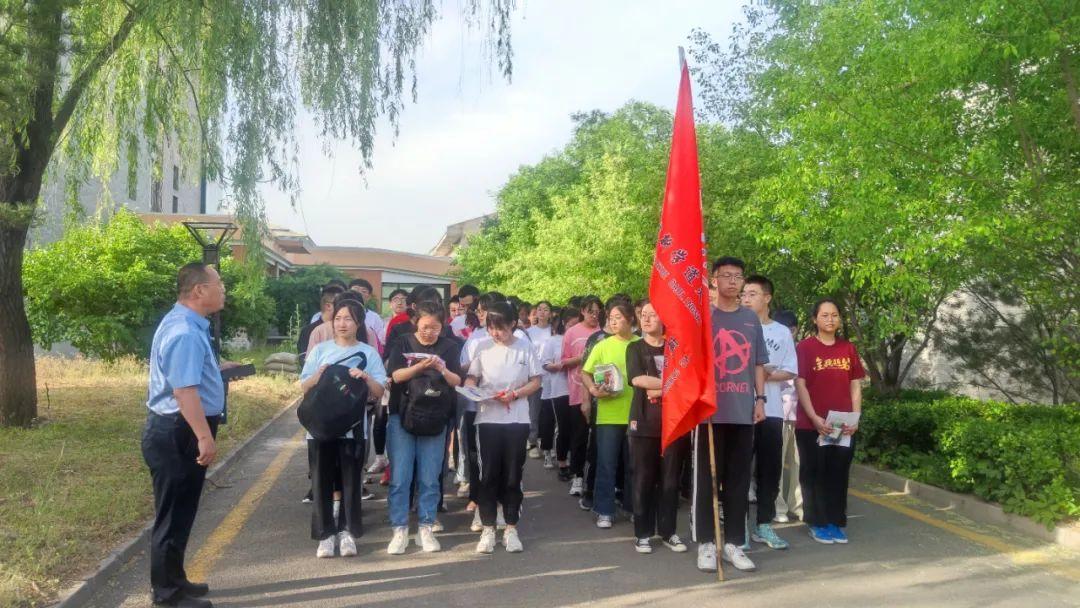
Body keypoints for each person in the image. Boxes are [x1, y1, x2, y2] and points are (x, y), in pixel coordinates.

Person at [143, 262, 230, 608]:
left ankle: (175, 580)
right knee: (173, 513)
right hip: (179, 432)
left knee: (183, 511)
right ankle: (166, 595)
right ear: (199, 291)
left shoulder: (187, 323)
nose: (223, 289)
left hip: (181, 428)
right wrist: (204, 437)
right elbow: (184, 392)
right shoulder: (185, 331)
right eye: (218, 283)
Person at [694, 256, 767, 573]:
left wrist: (760, 399)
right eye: (726, 275)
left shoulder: (750, 319)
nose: (733, 281)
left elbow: (758, 363)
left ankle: (735, 543)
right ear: (714, 280)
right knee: (708, 482)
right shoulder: (702, 319)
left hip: (742, 411)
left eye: (738, 276)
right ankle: (708, 543)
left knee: (738, 482)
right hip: (709, 411)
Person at [299, 299, 386, 558]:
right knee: (322, 480)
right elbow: (303, 385)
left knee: (350, 482)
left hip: (353, 429)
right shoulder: (319, 351)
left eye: (348, 319)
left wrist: (366, 377)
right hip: (320, 427)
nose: (342, 323)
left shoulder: (368, 353)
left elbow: (380, 391)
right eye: (338, 318)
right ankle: (325, 535)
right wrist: (319, 375)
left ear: (359, 323)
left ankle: (348, 532)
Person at [464, 300, 542, 554]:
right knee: (488, 475)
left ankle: (510, 528)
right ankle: (488, 528)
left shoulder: (524, 347)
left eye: (501, 328)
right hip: (488, 418)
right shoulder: (483, 348)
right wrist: (474, 389)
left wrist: (516, 394)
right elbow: (472, 378)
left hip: (516, 419)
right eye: (491, 328)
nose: (495, 333)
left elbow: (536, 381)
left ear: (512, 324)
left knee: (512, 475)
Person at [384, 301, 463, 554]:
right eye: (425, 326)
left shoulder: (450, 347)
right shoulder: (403, 343)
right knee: (400, 477)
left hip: (436, 417)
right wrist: (419, 366)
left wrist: (441, 367)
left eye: (436, 328)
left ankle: (426, 527)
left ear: (443, 326)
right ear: (415, 322)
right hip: (402, 415)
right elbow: (395, 376)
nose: (430, 332)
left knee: (430, 477)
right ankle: (400, 529)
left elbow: (456, 381)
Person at [795, 299, 864, 544]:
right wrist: (814, 417)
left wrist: (856, 417)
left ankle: (835, 521)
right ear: (815, 319)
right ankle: (817, 522)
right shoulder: (805, 347)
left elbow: (855, 384)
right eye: (824, 315)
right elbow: (800, 383)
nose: (830, 319)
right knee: (814, 473)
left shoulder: (848, 349)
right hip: (811, 424)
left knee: (838, 473)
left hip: (842, 425)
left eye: (834, 315)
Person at [627, 298, 690, 554]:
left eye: (653, 314)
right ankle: (642, 533)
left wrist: (663, 388)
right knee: (643, 478)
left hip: (674, 422)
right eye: (643, 314)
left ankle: (668, 531)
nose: (647, 318)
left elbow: (686, 379)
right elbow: (637, 379)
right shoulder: (635, 348)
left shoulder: (675, 348)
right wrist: (669, 386)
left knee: (670, 479)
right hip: (643, 421)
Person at [740, 275, 797, 550]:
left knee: (769, 470)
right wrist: (762, 370)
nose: (746, 298)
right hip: (739, 409)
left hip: (772, 410)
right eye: (744, 294)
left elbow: (790, 370)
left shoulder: (781, 332)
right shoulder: (736, 327)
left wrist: (762, 372)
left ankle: (764, 524)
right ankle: (739, 529)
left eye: (752, 293)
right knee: (738, 471)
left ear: (767, 298)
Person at [581, 301, 639, 529]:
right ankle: (604, 509)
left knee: (634, 465)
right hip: (608, 414)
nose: (613, 322)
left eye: (618, 317)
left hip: (636, 413)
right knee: (606, 463)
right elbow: (585, 371)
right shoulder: (602, 345)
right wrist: (593, 390)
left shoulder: (641, 344)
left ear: (630, 319)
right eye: (610, 318)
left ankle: (633, 507)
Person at [561, 295, 603, 497]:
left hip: (602, 393)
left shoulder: (604, 333)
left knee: (596, 440)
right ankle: (577, 475)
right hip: (577, 391)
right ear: (582, 311)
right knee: (578, 437)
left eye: (597, 312)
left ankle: (595, 480)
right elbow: (564, 362)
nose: (594, 315)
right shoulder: (571, 332)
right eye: (590, 311)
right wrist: (583, 358)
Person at [772, 309, 803, 522]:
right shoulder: (773, 351)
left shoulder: (804, 352)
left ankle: (798, 505)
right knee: (776, 463)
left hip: (801, 415)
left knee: (800, 464)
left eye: (789, 331)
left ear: (794, 330)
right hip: (778, 414)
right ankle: (778, 507)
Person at [543, 307, 581, 480]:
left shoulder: (582, 339)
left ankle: (576, 464)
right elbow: (545, 364)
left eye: (577, 324)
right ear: (564, 323)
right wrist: (558, 366)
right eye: (571, 324)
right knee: (564, 427)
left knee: (578, 428)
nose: (574, 327)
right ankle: (562, 462)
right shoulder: (553, 341)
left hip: (579, 388)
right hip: (560, 389)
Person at [525, 300, 554, 458]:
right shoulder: (530, 332)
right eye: (540, 309)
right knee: (533, 409)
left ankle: (547, 441)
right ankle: (532, 442)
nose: (542, 312)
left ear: (551, 313)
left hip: (552, 376)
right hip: (535, 375)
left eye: (546, 309)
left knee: (548, 410)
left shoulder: (554, 330)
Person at [349, 279, 386, 353]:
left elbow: (380, 341)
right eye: (355, 290)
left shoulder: (375, 318)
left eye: (363, 291)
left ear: (369, 297)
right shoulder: (339, 313)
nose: (359, 293)